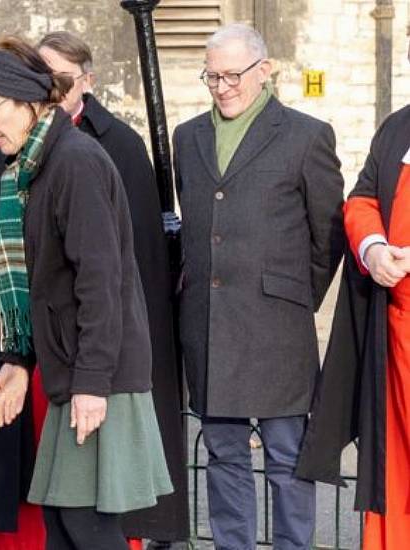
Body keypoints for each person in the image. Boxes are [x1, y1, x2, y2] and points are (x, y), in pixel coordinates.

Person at [0, 36, 173, 550]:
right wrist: (18, 361)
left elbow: (102, 283)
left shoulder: (74, 162)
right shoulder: (36, 167)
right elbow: (45, 286)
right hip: (74, 370)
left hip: (99, 375)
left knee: (86, 525)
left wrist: (92, 383)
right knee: (63, 524)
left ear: (30, 100)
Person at [172, 24, 344, 549]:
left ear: (264, 71)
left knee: (288, 458)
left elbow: (328, 235)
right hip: (208, 324)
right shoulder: (187, 138)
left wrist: (293, 296)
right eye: (212, 76)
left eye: (232, 75)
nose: (222, 87)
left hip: (277, 327)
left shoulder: (306, 136)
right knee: (222, 456)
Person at [37, 31, 189, 547]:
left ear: (87, 81)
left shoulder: (111, 147)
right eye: (43, 79)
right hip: (55, 349)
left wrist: (102, 362)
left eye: (61, 80)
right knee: (64, 508)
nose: (52, 91)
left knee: (89, 509)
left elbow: (121, 266)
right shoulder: (26, 148)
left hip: (101, 351)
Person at [296, 41, 410, 550]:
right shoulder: (398, 127)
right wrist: (373, 245)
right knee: (395, 466)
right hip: (395, 336)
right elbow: (363, 196)